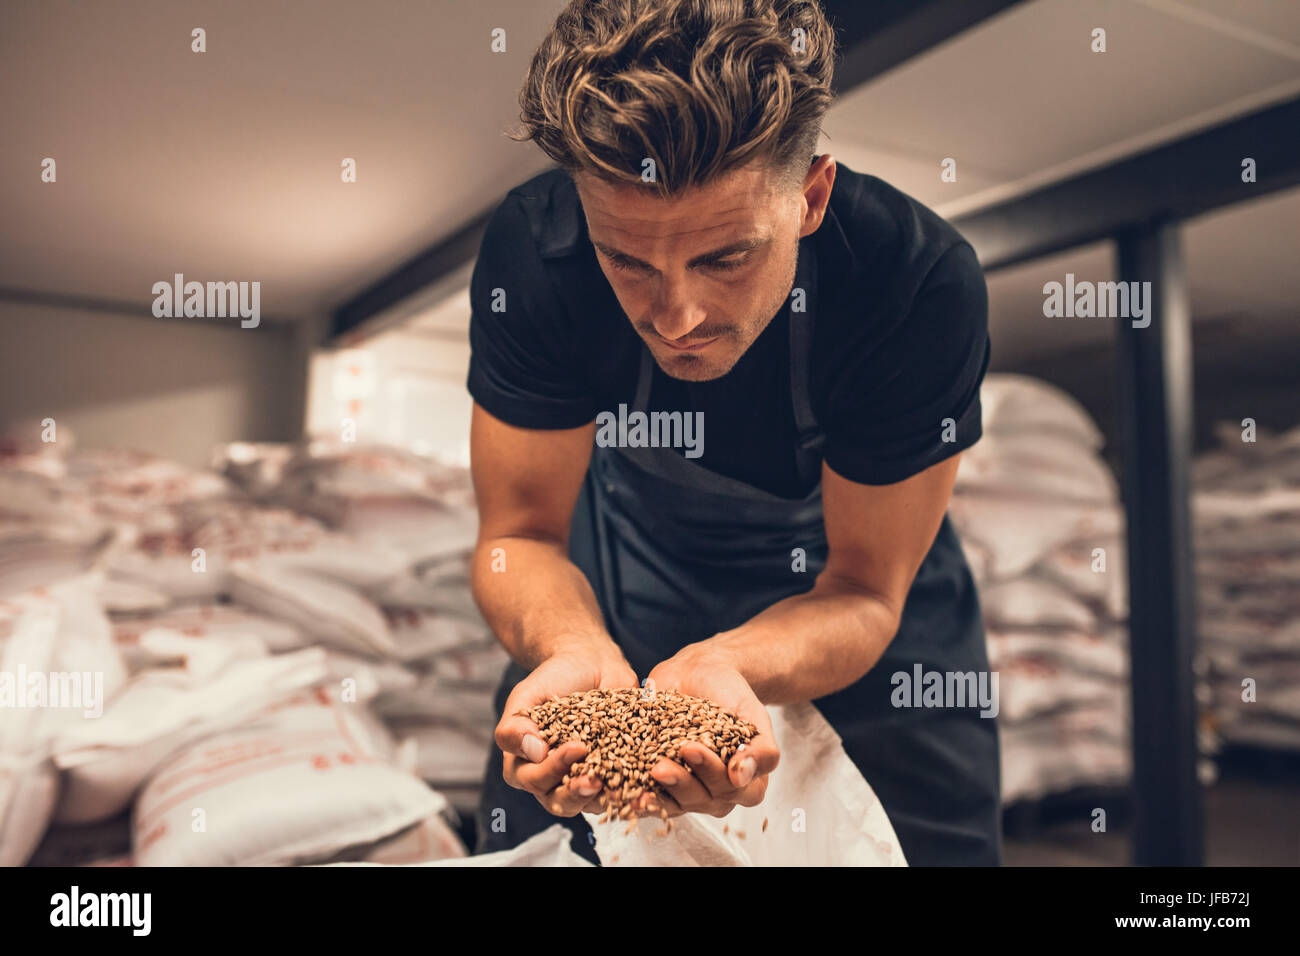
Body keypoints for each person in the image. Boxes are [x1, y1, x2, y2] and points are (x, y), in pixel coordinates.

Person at [467, 0, 1000, 865]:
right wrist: (570, 646)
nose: (676, 316)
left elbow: (864, 588)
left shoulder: (915, 282)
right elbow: (516, 537)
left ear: (811, 197)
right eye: (628, 261)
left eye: (726, 257)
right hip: (622, 587)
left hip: (861, 608)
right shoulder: (534, 254)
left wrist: (734, 665)